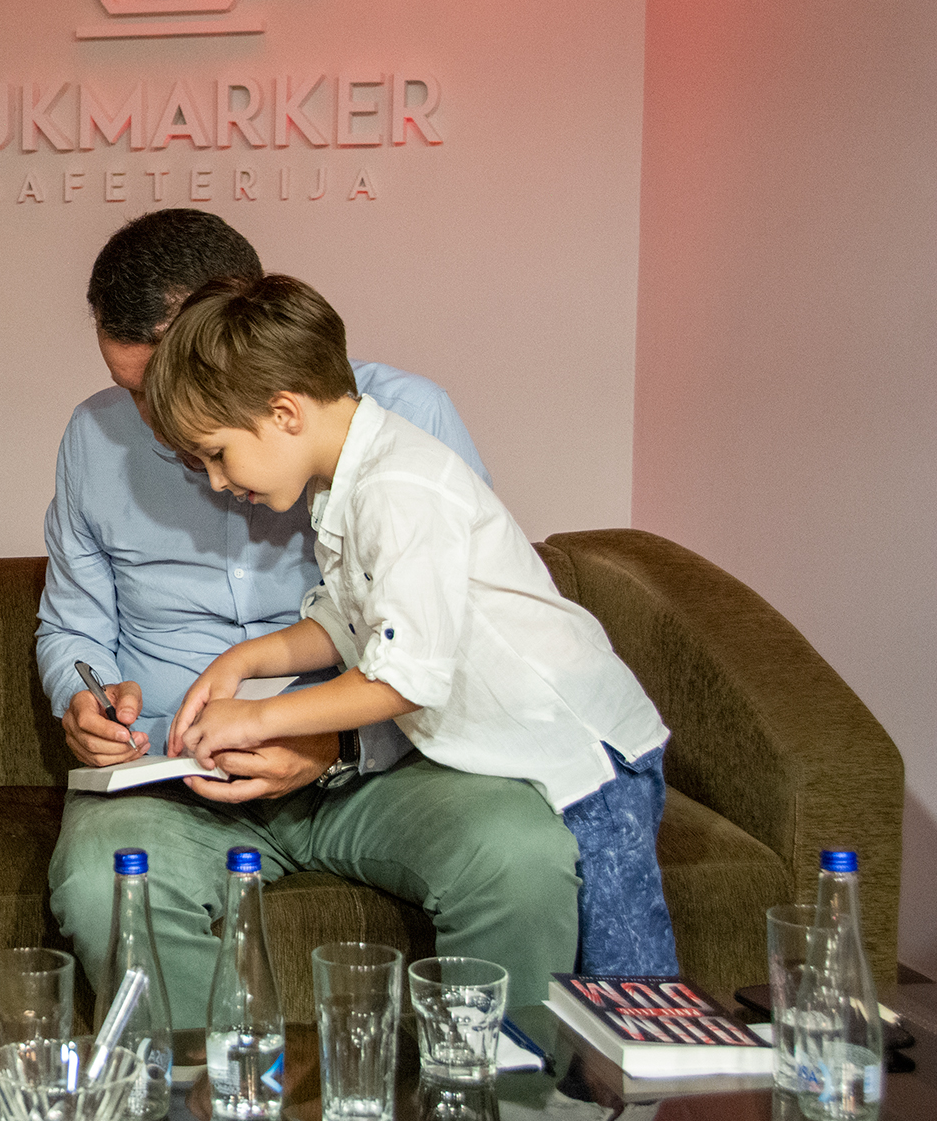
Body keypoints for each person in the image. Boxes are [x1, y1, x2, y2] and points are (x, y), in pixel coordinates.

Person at [39, 209, 582, 1012]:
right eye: (134, 393)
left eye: (161, 388)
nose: (155, 423)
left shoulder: (404, 426)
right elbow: (72, 625)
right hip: (172, 781)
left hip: (382, 773)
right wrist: (81, 696)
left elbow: (455, 639)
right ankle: (214, 1094)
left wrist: (337, 745)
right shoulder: (93, 438)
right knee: (100, 884)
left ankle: (496, 1090)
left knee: (523, 855)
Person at [150, 272, 677, 977]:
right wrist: (244, 660)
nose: (217, 481)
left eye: (217, 453)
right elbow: (351, 622)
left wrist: (258, 720)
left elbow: (402, 678)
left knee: (624, 989)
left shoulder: (398, 487)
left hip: (586, 763)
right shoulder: (347, 483)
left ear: (284, 412)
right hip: (540, 758)